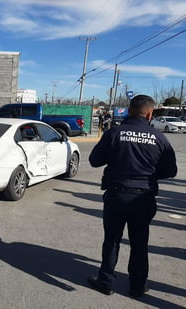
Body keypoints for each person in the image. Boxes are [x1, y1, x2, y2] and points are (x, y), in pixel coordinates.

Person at [87, 94, 177, 297]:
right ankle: (137, 285)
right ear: (150, 113)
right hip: (143, 198)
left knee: (112, 240)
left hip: (117, 195)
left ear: (129, 110)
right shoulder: (160, 138)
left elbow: (94, 160)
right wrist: (151, 173)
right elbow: (171, 171)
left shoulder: (115, 133)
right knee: (139, 243)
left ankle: (106, 281)